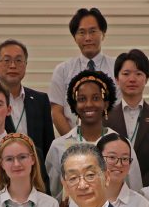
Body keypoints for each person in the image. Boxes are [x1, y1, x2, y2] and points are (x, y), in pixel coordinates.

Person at [45, 70, 138, 198]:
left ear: (105, 103)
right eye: (82, 99)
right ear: (74, 105)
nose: (89, 104)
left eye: (95, 98)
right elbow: (52, 195)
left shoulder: (122, 145)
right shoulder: (58, 146)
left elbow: (135, 190)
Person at [0, 39, 55, 165]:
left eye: (19, 60)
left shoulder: (40, 100)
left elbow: (48, 145)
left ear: (25, 65)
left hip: (33, 172)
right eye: (7, 60)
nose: (13, 65)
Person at [107, 49, 149, 187]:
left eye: (138, 74)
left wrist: (141, 186)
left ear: (146, 79)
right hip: (112, 190)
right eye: (126, 74)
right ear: (117, 79)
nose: (132, 79)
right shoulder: (105, 118)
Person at [48, 8, 115, 135]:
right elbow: (57, 112)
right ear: (74, 37)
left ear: (103, 33)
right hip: (74, 142)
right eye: (82, 33)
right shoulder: (62, 70)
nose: (88, 38)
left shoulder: (117, 68)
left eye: (93, 31)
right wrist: (74, 143)